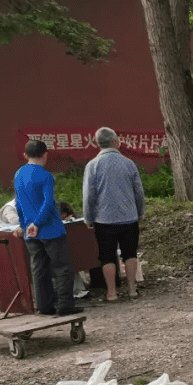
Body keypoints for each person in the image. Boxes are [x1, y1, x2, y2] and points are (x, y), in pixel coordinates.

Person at [13, 140, 83, 315]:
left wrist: (25, 225)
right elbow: (47, 203)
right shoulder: (46, 176)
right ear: (45, 154)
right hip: (50, 228)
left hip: (30, 230)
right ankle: (65, 305)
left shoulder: (18, 175)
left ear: (25, 155)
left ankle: (44, 306)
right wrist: (38, 223)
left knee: (38, 269)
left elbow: (19, 204)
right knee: (62, 268)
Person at [82, 127, 146, 301]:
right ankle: (132, 289)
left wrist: (88, 217)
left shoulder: (92, 165)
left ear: (97, 143)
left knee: (107, 256)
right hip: (129, 217)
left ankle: (112, 293)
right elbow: (138, 192)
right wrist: (140, 212)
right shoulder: (128, 163)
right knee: (130, 254)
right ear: (115, 142)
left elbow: (89, 195)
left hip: (104, 219)